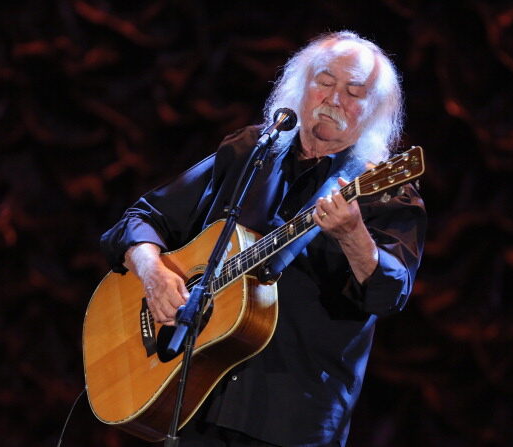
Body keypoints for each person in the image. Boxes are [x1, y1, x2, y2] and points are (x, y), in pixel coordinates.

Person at [100, 31, 426, 447]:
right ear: (301, 86)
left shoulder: (387, 191)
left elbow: (388, 295)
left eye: (354, 91)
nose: (334, 99)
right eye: (324, 82)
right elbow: (140, 218)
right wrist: (152, 273)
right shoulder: (250, 153)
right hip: (193, 396)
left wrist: (353, 235)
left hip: (289, 419)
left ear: (374, 110)